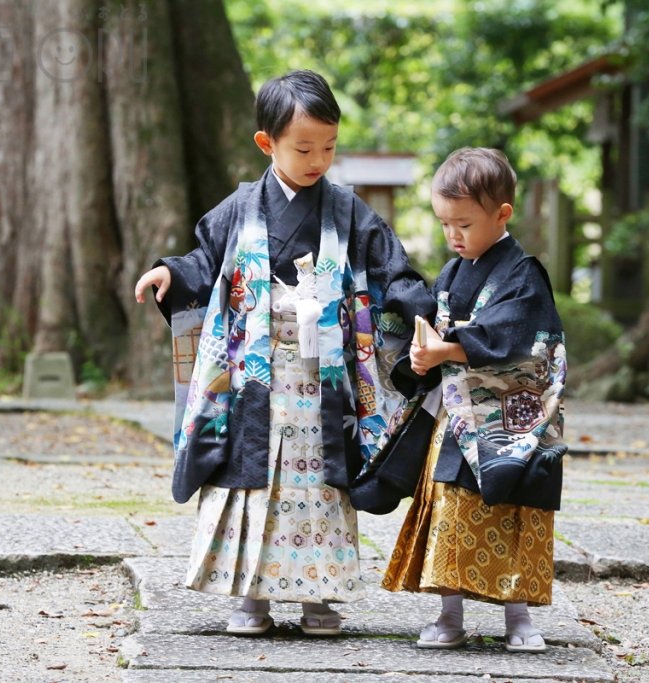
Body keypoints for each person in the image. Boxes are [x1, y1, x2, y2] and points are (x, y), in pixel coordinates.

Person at [134, 69, 434, 636]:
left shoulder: (349, 211)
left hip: (324, 379)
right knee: (249, 480)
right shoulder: (241, 206)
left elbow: (393, 272)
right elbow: (205, 262)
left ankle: (319, 596)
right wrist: (171, 273)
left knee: (323, 483)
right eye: (304, 148)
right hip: (254, 373)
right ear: (266, 143)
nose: (318, 160)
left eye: (329, 147)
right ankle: (251, 596)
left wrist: (421, 310)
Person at [362, 148, 567, 652]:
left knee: (514, 510)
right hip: (455, 417)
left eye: (464, 224)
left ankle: (519, 618)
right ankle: (449, 615)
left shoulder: (523, 273)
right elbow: (430, 328)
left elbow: (521, 337)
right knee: (449, 512)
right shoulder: (455, 272)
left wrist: (447, 349)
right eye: (445, 224)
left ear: (502, 215)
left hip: (510, 423)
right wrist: (420, 354)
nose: (453, 236)